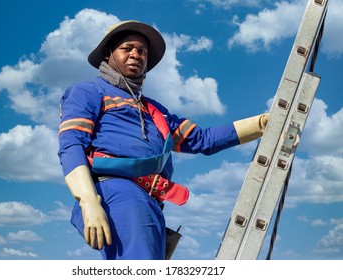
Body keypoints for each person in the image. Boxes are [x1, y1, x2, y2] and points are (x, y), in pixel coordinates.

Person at [58, 20, 268, 260]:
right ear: (108, 54)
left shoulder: (155, 111)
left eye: (142, 51)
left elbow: (203, 140)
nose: (136, 54)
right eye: (127, 48)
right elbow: (72, 144)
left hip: (151, 202)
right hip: (117, 192)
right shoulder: (88, 92)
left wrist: (263, 124)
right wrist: (88, 200)